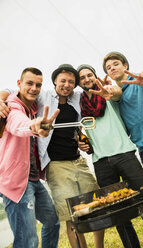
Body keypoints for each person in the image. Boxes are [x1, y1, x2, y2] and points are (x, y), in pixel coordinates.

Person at [0, 64, 104, 248]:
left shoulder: (73, 99)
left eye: (71, 82)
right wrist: (34, 126)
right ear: (54, 81)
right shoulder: (31, 102)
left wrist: (82, 140)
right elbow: (16, 113)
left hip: (57, 169)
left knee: (65, 218)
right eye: (63, 80)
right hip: (35, 174)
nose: (67, 84)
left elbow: (78, 122)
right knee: (47, 229)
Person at [77, 64, 143, 248]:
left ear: (95, 76)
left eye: (89, 75)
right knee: (118, 215)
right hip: (100, 163)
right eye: (82, 77)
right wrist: (82, 143)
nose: (86, 79)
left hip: (125, 155)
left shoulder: (109, 93)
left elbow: (117, 93)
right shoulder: (80, 106)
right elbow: (81, 132)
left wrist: (111, 90)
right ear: (79, 83)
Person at [0, 67, 60, 248]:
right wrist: (33, 126)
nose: (34, 88)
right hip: (16, 182)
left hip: (33, 179)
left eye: (38, 85)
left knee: (52, 223)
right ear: (19, 84)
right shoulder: (11, 108)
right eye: (29, 83)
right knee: (28, 241)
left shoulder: (33, 107)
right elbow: (18, 124)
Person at [102, 51, 143, 205]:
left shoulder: (140, 80)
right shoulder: (113, 95)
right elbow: (117, 96)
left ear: (125, 65)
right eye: (108, 68)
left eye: (115, 64)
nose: (111, 68)